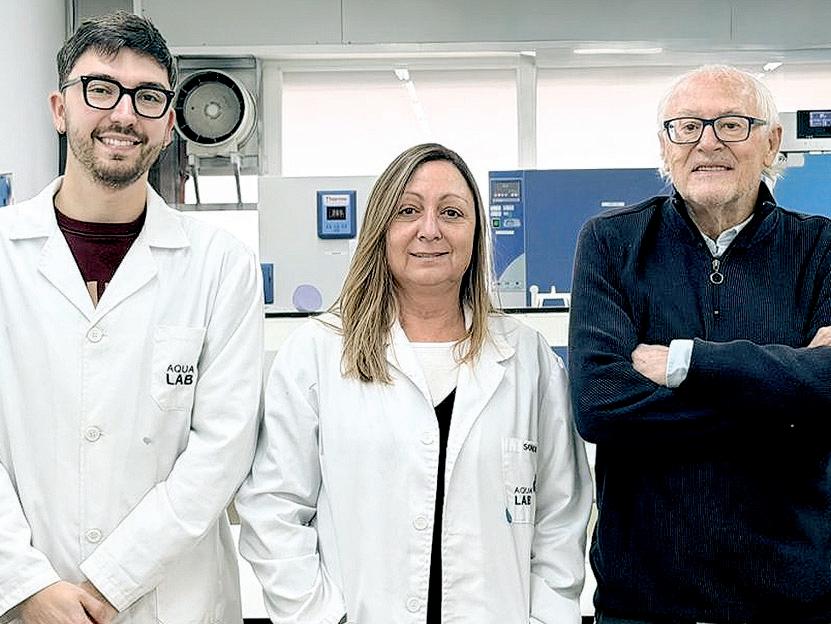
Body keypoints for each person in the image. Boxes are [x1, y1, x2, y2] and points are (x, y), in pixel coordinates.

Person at [236, 143, 592, 624]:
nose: (430, 229)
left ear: (476, 235)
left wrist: (544, 617)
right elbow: (274, 507)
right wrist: (319, 616)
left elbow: (561, 516)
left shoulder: (529, 359)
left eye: (452, 212)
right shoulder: (317, 353)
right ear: (381, 228)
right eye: (408, 211)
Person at [0, 12, 263, 624]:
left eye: (148, 97)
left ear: (169, 125)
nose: (124, 114)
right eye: (100, 89)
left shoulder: (221, 265)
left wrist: (110, 581)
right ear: (59, 109)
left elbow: (222, 451)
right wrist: (26, 583)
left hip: (176, 604)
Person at [569, 64, 831, 624]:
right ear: (665, 146)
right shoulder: (613, 244)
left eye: (731, 124)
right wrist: (783, 400)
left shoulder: (820, 249)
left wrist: (690, 363)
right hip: (643, 605)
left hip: (790, 606)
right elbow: (599, 405)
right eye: (687, 126)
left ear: (772, 143)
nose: (707, 143)